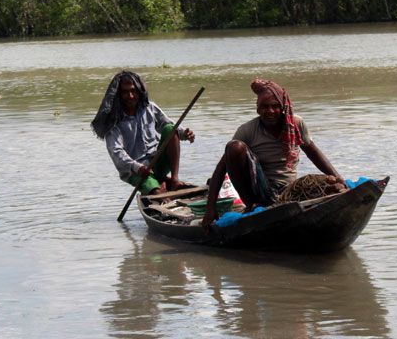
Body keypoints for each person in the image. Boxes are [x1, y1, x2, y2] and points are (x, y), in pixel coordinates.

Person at [200, 78, 342, 230]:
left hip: (288, 189)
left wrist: (339, 178)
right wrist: (210, 209)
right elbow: (221, 169)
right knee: (235, 147)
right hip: (261, 190)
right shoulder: (248, 130)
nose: (270, 111)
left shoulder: (296, 124)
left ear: (282, 107)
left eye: (275, 106)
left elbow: (313, 152)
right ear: (258, 109)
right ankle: (252, 206)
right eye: (265, 107)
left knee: (330, 185)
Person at [92, 70, 195, 195]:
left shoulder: (149, 108)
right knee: (157, 193)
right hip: (135, 171)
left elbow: (167, 124)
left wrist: (185, 134)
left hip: (157, 161)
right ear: (119, 95)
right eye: (125, 92)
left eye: (133, 91)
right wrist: (138, 167)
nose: (130, 96)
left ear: (139, 90)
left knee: (170, 129)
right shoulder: (113, 122)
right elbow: (117, 153)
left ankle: (174, 180)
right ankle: (158, 187)